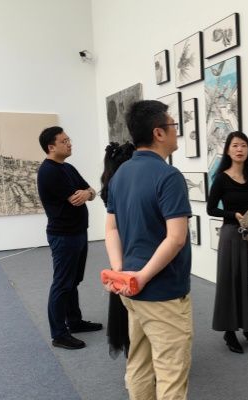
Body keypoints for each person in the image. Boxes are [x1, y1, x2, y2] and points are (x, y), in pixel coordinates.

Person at [105, 100, 193, 400]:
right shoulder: (169, 176)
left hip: (130, 288)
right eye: (173, 126)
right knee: (171, 372)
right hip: (161, 291)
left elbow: (111, 229)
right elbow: (176, 238)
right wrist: (142, 277)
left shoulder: (121, 174)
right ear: (159, 132)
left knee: (139, 363)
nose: (176, 132)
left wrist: (120, 271)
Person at [206, 131, 248, 354]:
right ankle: (229, 332)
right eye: (235, 145)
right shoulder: (221, 178)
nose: (239, 149)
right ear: (228, 150)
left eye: (243, 145)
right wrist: (232, 215)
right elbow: (211, 209)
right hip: (231, 235)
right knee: (231, 281)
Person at [37, 126, 102, 350]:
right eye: (64, 141)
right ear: (51, 147)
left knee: (73, 281)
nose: (69, 144)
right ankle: (59, 334)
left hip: (78, 232)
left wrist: (88, 192)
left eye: (69, 140)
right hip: (64, 235)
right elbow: (76, 198)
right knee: (62, 283)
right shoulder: (49, 171)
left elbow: (91, 191)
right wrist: (86, 193)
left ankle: (74, 321)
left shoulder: (68, 168)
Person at [99, 141, 135, 359]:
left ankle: (133, 355)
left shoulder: (110, 186)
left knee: (124, 305)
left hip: (119, 251)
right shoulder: (123, 188)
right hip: (129, 247)